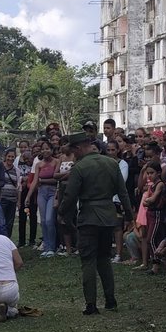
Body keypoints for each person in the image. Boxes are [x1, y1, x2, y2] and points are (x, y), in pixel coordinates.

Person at [58, 132, 132, 315]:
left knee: (88, 261)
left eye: (73, 151)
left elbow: (70, 195)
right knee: (104, 259)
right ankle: (111, 300)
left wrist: (61, 213)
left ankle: (91, 304)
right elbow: (123, 193)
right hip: (108, 216)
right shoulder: (111, 163)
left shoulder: (79, 168)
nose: (73, 155)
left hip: (89, 217)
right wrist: (129, 215)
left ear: (78, 148)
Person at [26, 142, 59, 258]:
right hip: (41, 193)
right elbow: (35, 182)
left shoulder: (56, 161)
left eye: (47, 149)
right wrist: (28, 196)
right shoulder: (38, 164)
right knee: (44, 221)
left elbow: (56, 179)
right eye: (43, 149)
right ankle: (46, 245)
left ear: (51, 149)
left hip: (52, 192)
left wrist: (43, 181)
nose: (45, 151)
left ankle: (52, 247)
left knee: (50, 219)